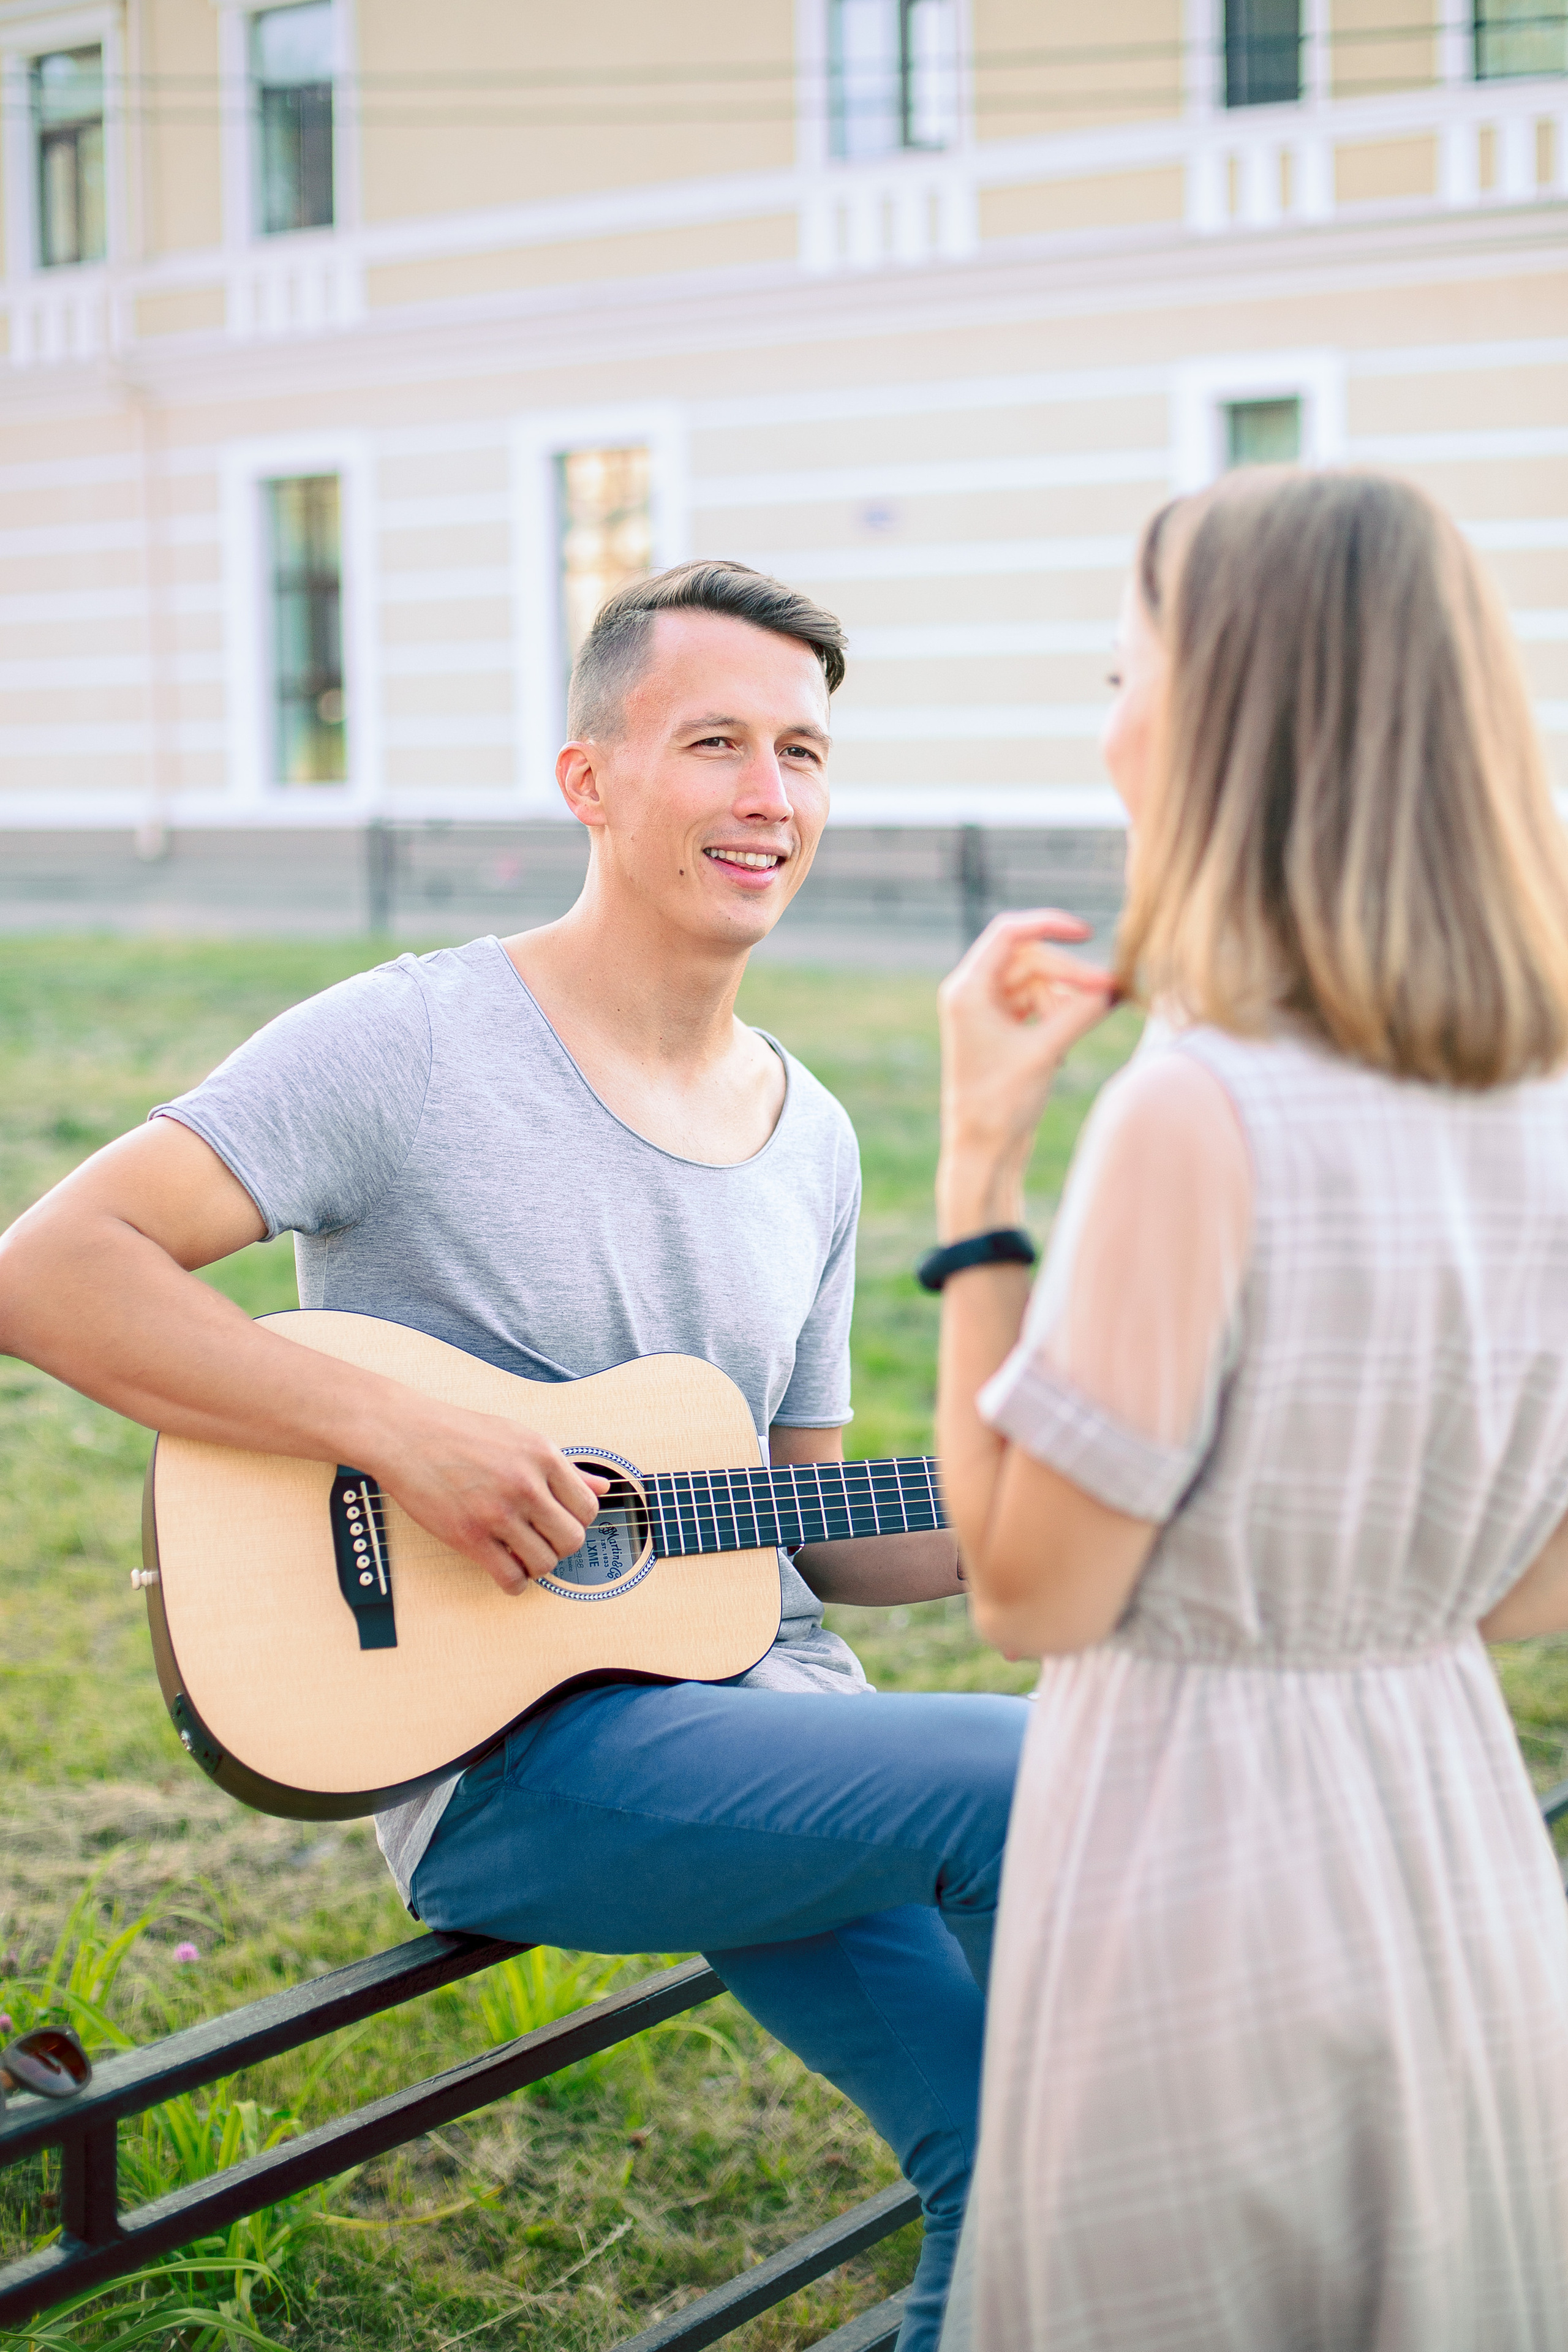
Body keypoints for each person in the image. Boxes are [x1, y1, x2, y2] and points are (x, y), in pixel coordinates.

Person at [0, 559, 1027, 2352]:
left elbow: (817, 1531)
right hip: (510, 1759)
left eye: (801, 751)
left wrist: (1053, 1518)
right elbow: (50, 1272)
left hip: (776, 1726)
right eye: (714, 742)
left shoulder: (815, 1134)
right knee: (1045, 1776)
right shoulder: (413, 1039)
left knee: (1025, 2169)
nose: (769, 795)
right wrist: (404, 1432)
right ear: (590, 779)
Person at [930, 470, 1568, 2350]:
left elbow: (1028, 1592)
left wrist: (978, 1171)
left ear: (1221, 718)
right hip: (1456, 1840)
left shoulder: (1198, 1113)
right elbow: (1531, 1595)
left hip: (1196, 1868)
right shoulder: (1546, 1099)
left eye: (1123, 670)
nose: (1108, 723)